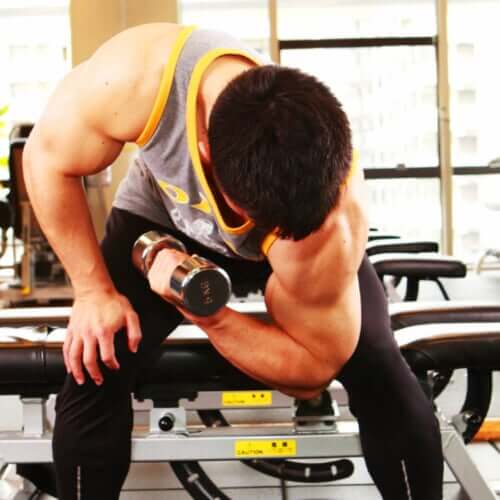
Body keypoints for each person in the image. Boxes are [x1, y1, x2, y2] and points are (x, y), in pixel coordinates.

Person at [23, 23, 443, 500]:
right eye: (260, 221)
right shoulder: (137, 79)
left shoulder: (327, 224)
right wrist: (93, 291)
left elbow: (313, 369)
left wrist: (209, 313)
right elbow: (44, 159)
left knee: (379, 369)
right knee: (95, 361)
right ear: (205, 151)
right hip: (162, 218)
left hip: (297, 242)